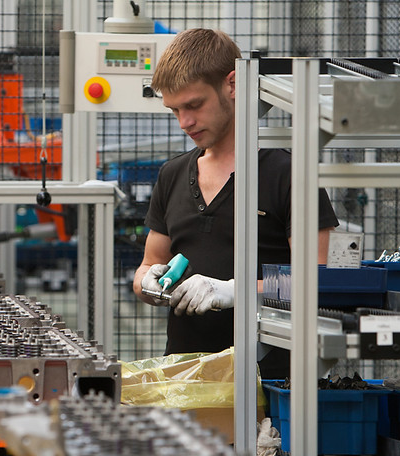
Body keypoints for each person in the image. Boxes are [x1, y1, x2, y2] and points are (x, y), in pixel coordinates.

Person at [132, 28, 339, 378]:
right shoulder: (172, 175)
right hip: (185, 379)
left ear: (232, 84)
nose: (184, 122)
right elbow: (149, 264)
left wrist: (234, 291)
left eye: (194, 105)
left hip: (271, 384)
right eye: (175, 110)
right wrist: (147, 284)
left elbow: (318, 280)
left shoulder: (288, 174)